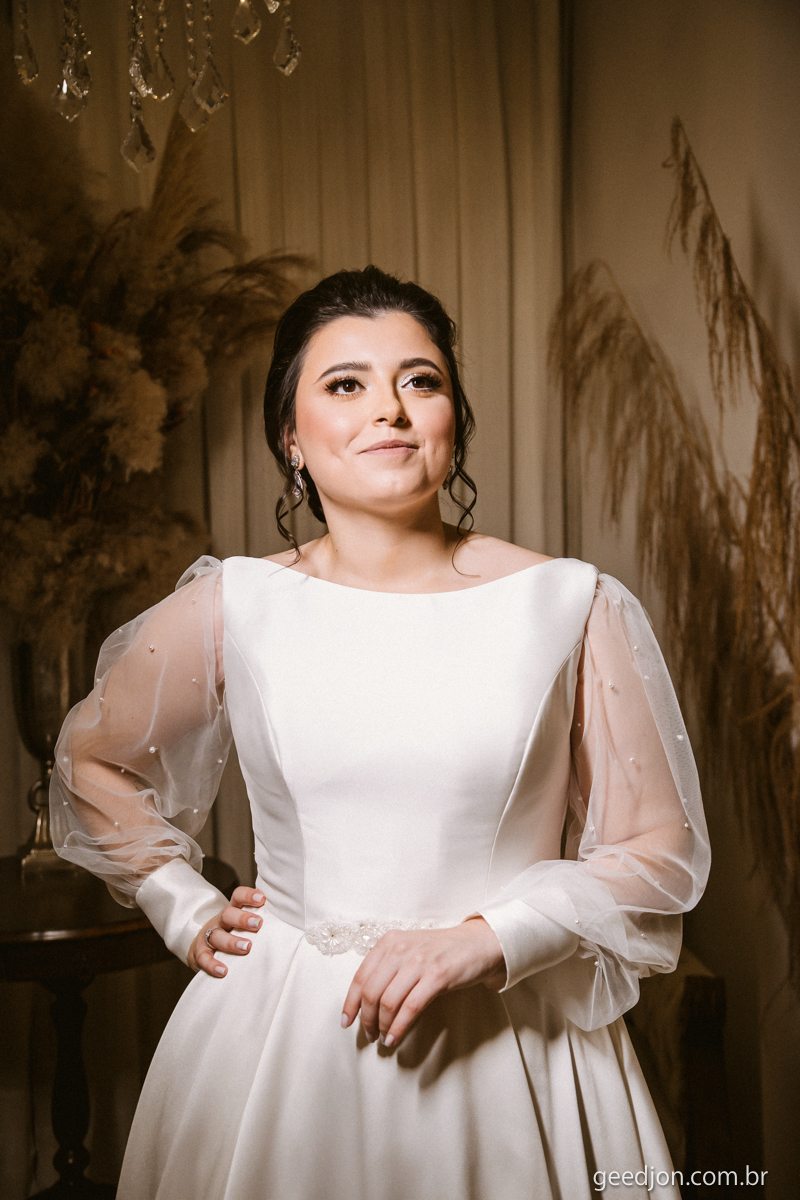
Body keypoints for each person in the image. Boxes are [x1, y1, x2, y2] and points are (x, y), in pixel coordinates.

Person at [51, 266, 710, 1200]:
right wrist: (180, 904)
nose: (389, 409)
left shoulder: (571, 602)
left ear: (452, 422)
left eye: (420, 380)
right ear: (292, 439)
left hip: (513, 1049)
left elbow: (659, 850)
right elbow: (89, 759)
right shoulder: (235, 603)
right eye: (346, 384)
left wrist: (493, 936)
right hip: (282, 1046)